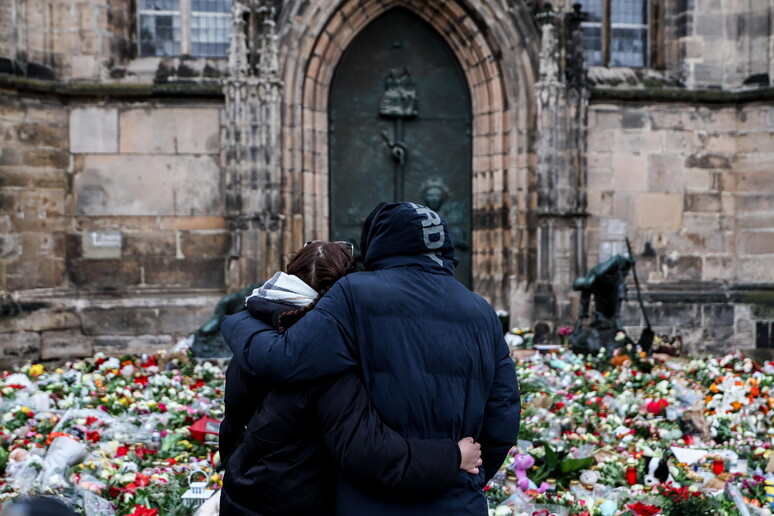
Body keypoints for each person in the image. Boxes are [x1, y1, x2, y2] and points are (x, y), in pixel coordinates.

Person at [222, 202, 521, 515]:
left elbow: (285, 359)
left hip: (367, 498)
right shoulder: (482, 310)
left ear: (377, 243)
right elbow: (504, 409)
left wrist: (241, 320)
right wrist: (468, 473)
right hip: (458, 497)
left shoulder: (355, 292)